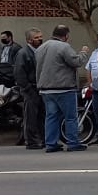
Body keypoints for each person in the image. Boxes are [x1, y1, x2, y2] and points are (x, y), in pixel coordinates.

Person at [34, 24, 90, 153]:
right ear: (66, 36)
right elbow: (75, 62)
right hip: (64, 88)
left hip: (46, 89)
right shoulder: (64, 47)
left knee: (51, 117)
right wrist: (83, 52)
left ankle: (51, 144)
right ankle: (73, 143)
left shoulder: (41, 48)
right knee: (70, 117)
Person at [13, 28, 44, 150]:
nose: (40, 39)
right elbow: (19, 73)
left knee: (41, 115)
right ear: (29, 40)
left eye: (40, 36)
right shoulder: (23, 53)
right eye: (36, 38)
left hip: (40, 88)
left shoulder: (40, 51)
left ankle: (42, 139)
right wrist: (27, 88)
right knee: (30, 116)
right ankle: (31, 141)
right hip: (30, 89)